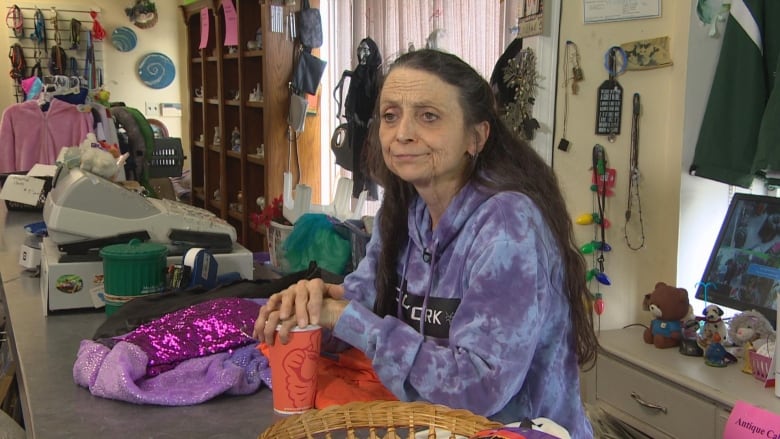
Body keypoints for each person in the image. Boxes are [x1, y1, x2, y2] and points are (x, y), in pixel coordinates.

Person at [254, 49, 598, 438]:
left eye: (428, 116)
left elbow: (478, 389)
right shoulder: (403, 211)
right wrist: (312, 303)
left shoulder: (506, 227)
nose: (402, 133)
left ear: (476, 136)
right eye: (390, 116)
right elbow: (362, 305)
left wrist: (343, 315)